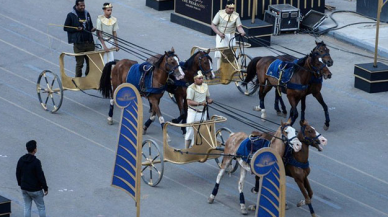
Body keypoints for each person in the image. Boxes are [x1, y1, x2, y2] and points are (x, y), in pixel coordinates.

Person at [210, 0, 246, 72]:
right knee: (221, 54)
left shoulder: (236, 15)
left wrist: (242, 32)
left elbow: (239, 27)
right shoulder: (220, 13)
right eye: (230, 8)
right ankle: (219, 70)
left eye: (233, 8)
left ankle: (231, 70)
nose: (232, 10)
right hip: (221, 37)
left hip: (231, 36)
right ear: (226, 7)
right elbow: (213, 25)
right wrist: (219, 33)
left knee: (232, 53)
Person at [64, 0, 96, 77]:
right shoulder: (71, 15)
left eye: (84, 5)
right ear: (76, 6)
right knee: (80, 64)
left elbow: (90, 26)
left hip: (89, 42)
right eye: (81, 6)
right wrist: (76, 29)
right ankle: (78, 79)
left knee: (90, 63)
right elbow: (65, 28)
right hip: (79, 44)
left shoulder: (87, 13)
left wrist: (92, 29)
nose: (83, 7)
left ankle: (88, 77)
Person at [16, 140, 48, 217]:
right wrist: (45, 188)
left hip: (24, 188)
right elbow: (41, 176)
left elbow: (18, 173)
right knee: (41, 208)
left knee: (27, 207)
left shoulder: (21, 159)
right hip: (35, 189)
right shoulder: (36, 162)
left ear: (26, 148)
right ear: (35, 149)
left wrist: (21, 184)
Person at [185, 71, 213, 149]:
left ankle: (195, 147)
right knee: (190, 130)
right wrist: (200, 103)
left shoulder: (205, 86)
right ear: (195, 80)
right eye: (199, 78)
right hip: (193, 112)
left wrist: (209, 100)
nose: (201, 80)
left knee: (200, 130)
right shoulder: (191, 88)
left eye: (202, 78)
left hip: (202, 111)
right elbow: (189, 102)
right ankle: (186, 149)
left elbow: (207, 97)